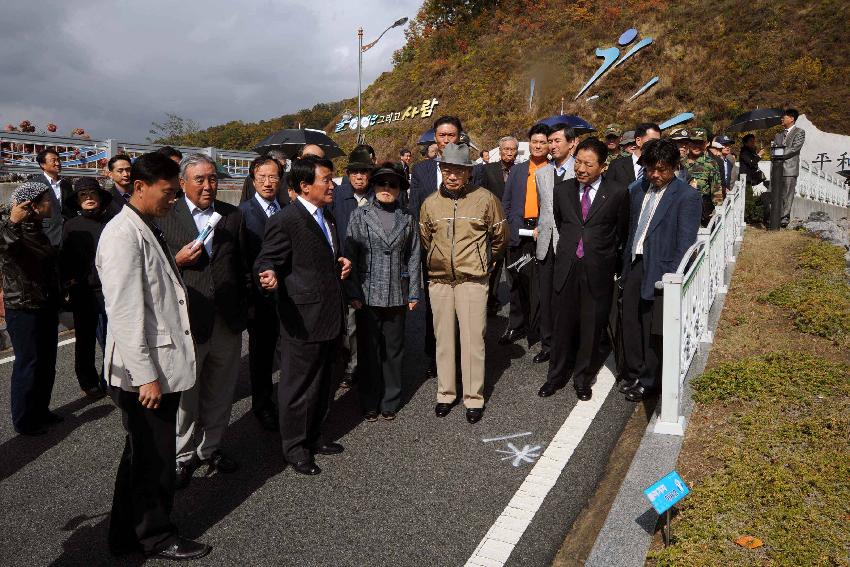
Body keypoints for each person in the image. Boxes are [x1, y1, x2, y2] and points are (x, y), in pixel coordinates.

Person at [96, 152, 211, 560]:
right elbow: (124, 313)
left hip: (157, 366)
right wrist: (145, 376)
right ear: (139, 187)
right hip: (147, 373)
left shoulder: (147, 224)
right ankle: (156, 535)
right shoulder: (122, 235)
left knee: (142, 455)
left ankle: (124, 535)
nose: (174, 201)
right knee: (153, 459)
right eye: (168, 193)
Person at [255, 156, 352, 476]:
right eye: (326, 179)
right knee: (297, 387)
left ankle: (314, 436)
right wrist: (267, 274)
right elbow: (267, 259)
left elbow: (321, 256)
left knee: (324, 382)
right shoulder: (286, 220)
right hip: (301, 319)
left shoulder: (328, 217)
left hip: (329, 315)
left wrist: (340, 262)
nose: (333, 185)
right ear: (304, 186)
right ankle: (295, 448)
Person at [159, 153, 249, 489]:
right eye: (200, 179)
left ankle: (211, 448)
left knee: (222, 390)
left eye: (212, 179)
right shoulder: (166, 216)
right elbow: (152, 267)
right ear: (182, 183)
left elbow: (242, 267)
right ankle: (182, 456)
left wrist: (245, 310)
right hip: (187, 321)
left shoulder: (232, 216)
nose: (209, 186)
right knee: (186, 394)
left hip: (227, 319)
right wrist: (177, 261)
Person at [419, 143, 507, 423]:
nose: (452, 176)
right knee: (443, 340)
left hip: (472, 280)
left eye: (458, 170)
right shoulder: (430, 203)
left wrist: (483, 262)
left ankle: (473, 398)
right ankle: (445, 394)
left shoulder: (485, 199)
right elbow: (425, 240)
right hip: (440, 281)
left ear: (468, 173)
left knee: (473, 341)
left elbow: (499, 237)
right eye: (447, 170)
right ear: (441, 170)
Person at [537, 137, 629, 401]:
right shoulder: (562, 191)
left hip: (597, 269)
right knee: (562, 324)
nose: (580, 169)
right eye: (578, 162)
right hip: (566, 266)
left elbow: (620, 231)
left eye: (588, 164)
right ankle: (555, 376)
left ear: (603, 166)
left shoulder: (617, 193)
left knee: (591, 327)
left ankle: (582, 378)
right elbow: (562, 222)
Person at [619, 139, 702, 402]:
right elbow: (632, 229)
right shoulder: (638, 190)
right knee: (630, 319)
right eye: (650, 169)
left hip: (662, 269)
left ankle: (649, 380)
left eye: (662, 169)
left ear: (674, 167)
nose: (655, 174)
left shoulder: (687, 196)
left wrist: (674, 277)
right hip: (635, 262)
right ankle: (633, 371)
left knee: (652, 327)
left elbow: (686, 242)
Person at [345, 162, 420, 421]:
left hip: (397, 293)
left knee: (394, 349)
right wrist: (352, 291)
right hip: (366, 293)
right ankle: (369, 401)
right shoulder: (359, 215)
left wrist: (413, 292)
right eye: (382, 183)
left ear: (400, 189)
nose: (386, 188)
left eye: (393, 184)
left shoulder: (408, 218)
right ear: (374, 185)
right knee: (368, 350)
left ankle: (390, 400)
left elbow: (413, 256)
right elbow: (350, 256)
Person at [0, 181, 62, 435]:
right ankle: (24, 420)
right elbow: (5, 247)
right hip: (23, 306)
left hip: (44, 302)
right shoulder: (12, 229)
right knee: (29, 363)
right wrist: (13, 222)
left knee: (47, 361)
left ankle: (41, 410)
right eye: (47, 199)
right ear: (33, 205)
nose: (52, 203)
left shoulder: (35, 227)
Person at [409, 115, 464, 378]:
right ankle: (435, 356)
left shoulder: (471, 168)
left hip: (463, 251)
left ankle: (462, 356)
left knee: (463, 306)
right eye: (442, 136)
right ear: (435, 138)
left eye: (451, 135)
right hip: (432, 251)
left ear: (460, 137)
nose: (446, 140)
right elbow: (414, 210)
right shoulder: (421, 171)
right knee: (435, 306)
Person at [239, 155, 285, 431]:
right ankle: (263, 405)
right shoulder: (243, 213)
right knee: (262, 356)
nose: (268, 183)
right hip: (260, 297)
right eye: (262, 178)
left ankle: (287, 400)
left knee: (288, 351)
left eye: (273, 177)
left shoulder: (287, 207)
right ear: (253, 180)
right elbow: (242, 259)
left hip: (286, 294)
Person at [61, 177, 113, 399]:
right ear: (78, 200)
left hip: (111, 289)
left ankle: (111, 377)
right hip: (83, 291)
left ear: (100, 197)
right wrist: (69, 281)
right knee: (85, 339)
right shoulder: (71, 226)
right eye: (83, 195)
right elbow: (63, 259)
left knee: (114, 337)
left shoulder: (113, 222)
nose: (89, 198)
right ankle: (88, 381)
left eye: (93, 193)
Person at [499, 123, 551, 347]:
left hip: (542, 232)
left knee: (540, 283)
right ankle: (516, 325)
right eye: (535, 142)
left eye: (543, 142)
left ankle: (538, 328)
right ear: (528, 144)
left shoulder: (553, 170)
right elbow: (507, 202)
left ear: (549, 145)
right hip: (519, 232)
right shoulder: (518, 170)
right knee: (516, 281)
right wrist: (510, 226)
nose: (538, 146)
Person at [330, 146, 377, 390]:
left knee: (371, 320)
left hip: (374, 269)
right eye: (355, 172)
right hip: (346, 268)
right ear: (348, 174)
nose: (359, 176)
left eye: (364, 172)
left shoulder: (379, 195)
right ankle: (350, 366)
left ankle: (371, 363)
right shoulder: (337, 197)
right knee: (349, 323)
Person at [533, 124, 578, 365]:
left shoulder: (580, 171)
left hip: (570, 243)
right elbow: (543, 208)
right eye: (550, 141)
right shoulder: (541, 173)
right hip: (545, 242)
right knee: (547, 296)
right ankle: (547, 343)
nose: (552, 145)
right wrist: (540, 228)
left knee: (568, 296)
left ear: (572, 143)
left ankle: (569, 344)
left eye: (557, 140)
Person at [479, 135, 519, 314]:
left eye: (512, 149)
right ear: (500, 150)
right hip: (492, 226)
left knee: (514, 267)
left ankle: (517, 305)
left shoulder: (521, 170)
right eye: (506, 149)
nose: (509, 153)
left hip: (514, 225)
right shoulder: (488, 170)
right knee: (492, 267)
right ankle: (489, 301)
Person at [30, 148, 74, 247]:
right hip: (45, 234)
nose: (57, 163)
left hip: (67, 235)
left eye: (58, 160)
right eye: (53, 161)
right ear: (43, 165)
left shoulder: (66, 185)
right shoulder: (34, 184)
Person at [773, 108, 806, 227]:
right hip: (777, 169)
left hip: (790, 168)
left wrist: (780, 152)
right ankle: (776, 215)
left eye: (784, 117)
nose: (781, 119)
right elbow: (774, 149)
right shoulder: (778, 135)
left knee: (787, 194)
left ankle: (784, 218)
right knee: (777, 193)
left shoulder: (799, 132)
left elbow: (795, 148)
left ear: (792, 119)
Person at [684, 128, 722, 226]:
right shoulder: (679, 163)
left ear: (705, 144)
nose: (697, 146)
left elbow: (716, 189)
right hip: (681, 211)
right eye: (694, 142)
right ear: (688, 143)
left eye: (700, 143)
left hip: (702, 213)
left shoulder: (711, 163)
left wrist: (718, 212)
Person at [606, 122, 662, 187]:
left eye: (658, 142)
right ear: (638, 141)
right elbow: (608, 192)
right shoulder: (616, 165)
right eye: (652, 141)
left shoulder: (661, 165)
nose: (657, 145)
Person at [104, 154, 134, 218]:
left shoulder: (141, 194)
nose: (125, 174)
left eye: (128, 170)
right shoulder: (106, 199)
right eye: (120, 171)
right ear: (110, 174)